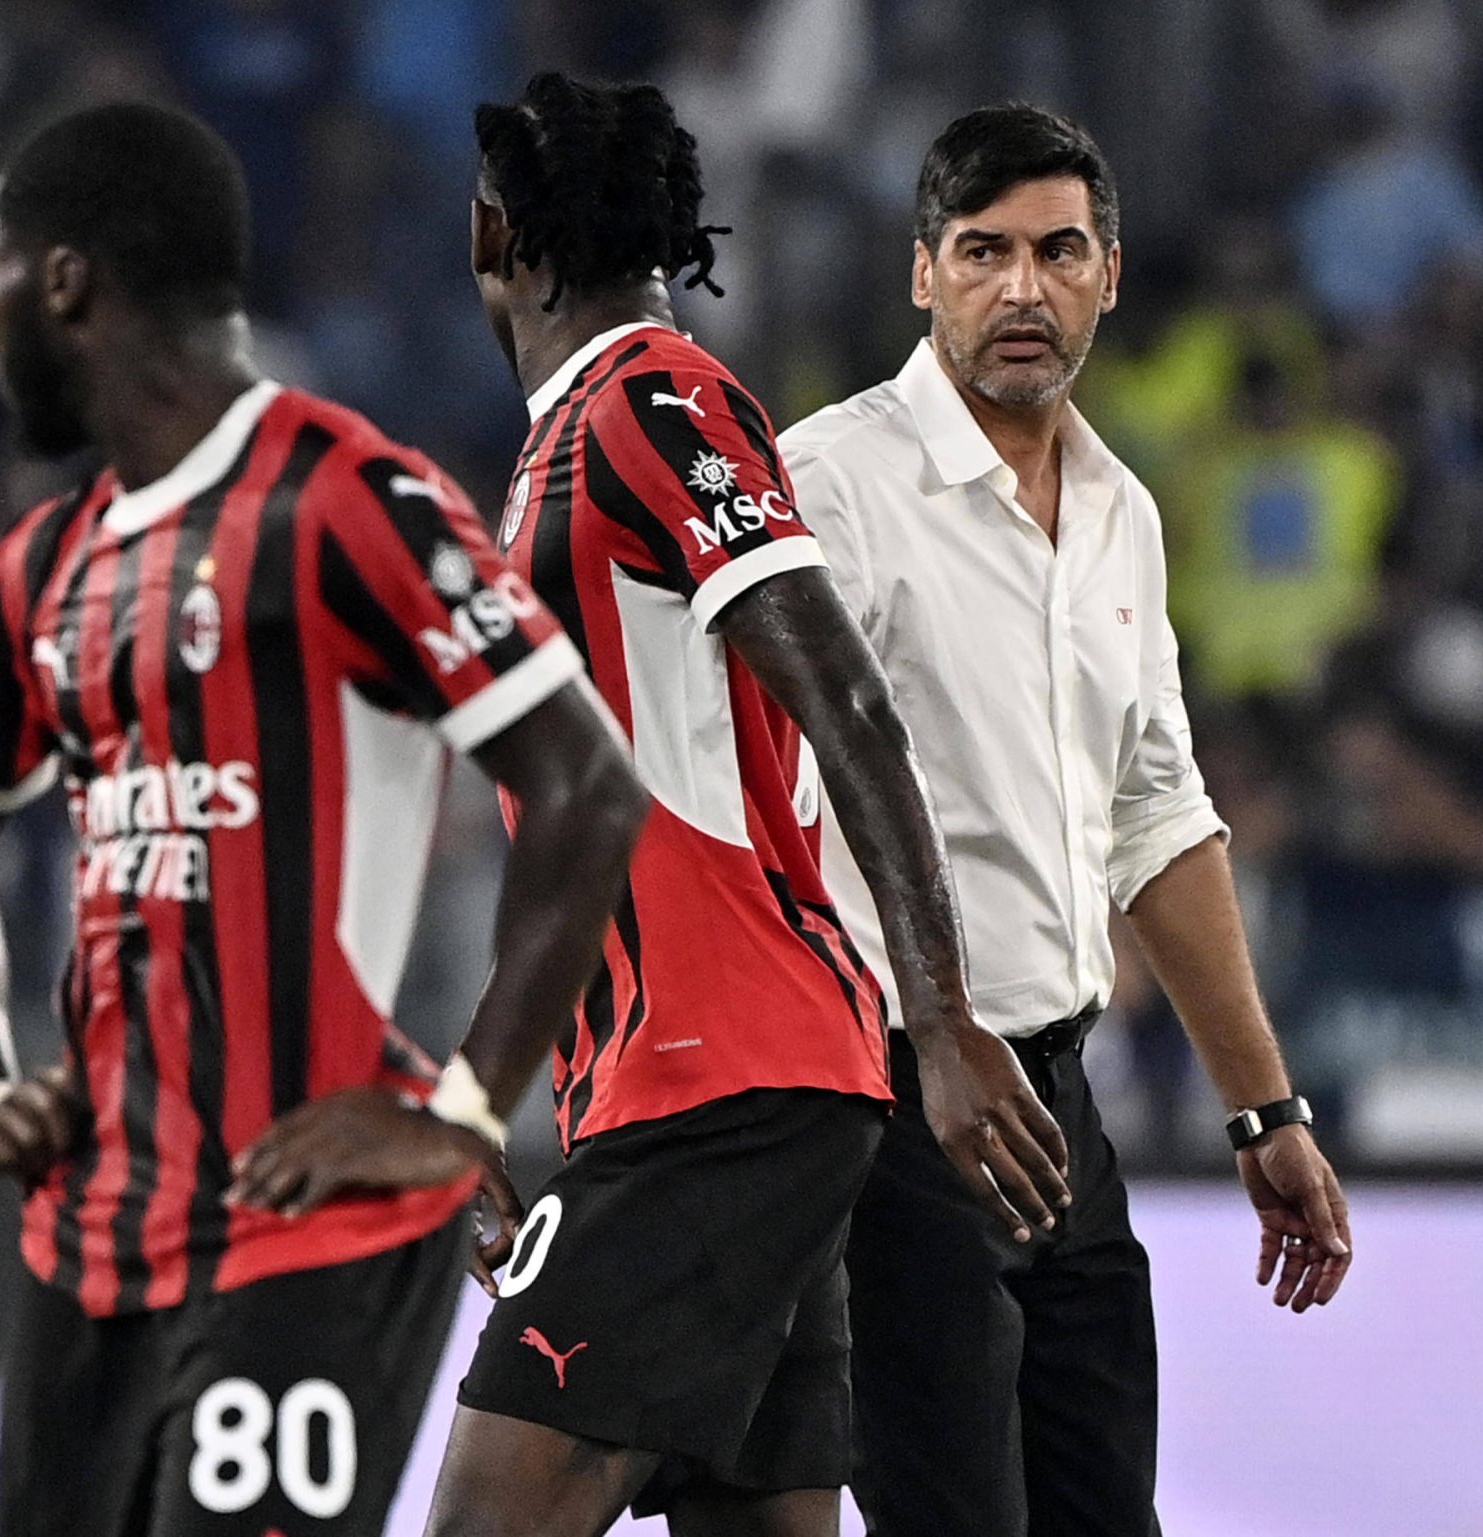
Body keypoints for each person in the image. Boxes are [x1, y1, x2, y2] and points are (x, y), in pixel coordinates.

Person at [0, 103, 648, 1537]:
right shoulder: (38, 568)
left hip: (311, 1229)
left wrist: (463, 1107)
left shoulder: (347, 501)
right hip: (90, 1246)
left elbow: (589, 788)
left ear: (60, 284)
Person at [424, 73, 1069, 1537]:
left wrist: (948, 1019)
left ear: (492, 237)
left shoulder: (651, 400)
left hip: (720, 1086)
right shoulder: (561, 454)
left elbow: (846, 696)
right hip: (714, 1088)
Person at [777, 104, 1356, 1536]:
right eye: (981, 252)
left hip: (1061, 1101)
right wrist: (933, 1030)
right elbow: (792, 795)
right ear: (923, 274)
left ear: (1111, 273)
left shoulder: (1123, 512)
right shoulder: (829, 484)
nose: (1019, 289)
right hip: (892, 1102)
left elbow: (1157, 815)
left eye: (1056, 251)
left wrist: (1264, 1104)